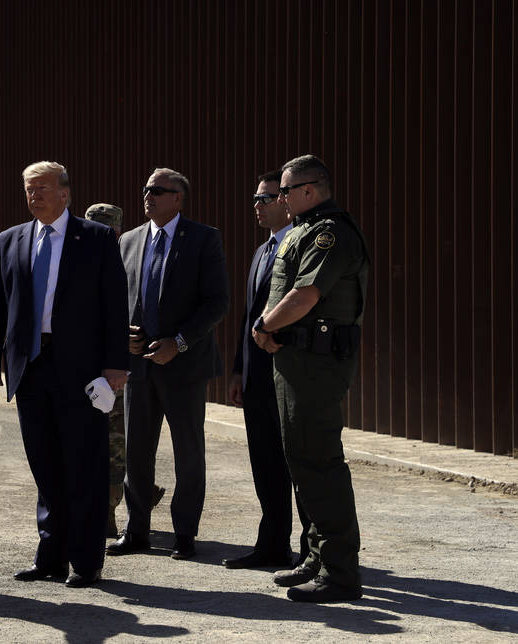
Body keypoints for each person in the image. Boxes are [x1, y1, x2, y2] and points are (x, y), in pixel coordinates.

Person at [0, 161, 129, 588]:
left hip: (82, 370)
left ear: (65, 193)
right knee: (44, 465)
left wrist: (116, 364)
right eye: (29, 189)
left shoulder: (96, 238)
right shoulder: (9, 240)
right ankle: (51, 557)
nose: (35, 196)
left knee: (83, 463)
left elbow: (114, 304)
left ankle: (86, 561)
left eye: (43, 188)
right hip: (30, 367)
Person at [252, 154, 368, 603]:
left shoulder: (329, 233)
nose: (279, 198)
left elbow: (306, 295)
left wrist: (266, 326)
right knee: (301, 459)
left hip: (318, 362)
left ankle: (340, 573)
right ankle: (318, 556)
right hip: (294, 359)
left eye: (284, 190)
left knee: (320, 462)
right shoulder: (302, 228)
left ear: (310, 189)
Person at [107, 168, 229, 560]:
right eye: (145, 189)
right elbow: (114, 298)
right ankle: (136, 531)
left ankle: (185, 533)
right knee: (137, 452)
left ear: (178, 198)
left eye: (158, 191)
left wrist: (178, 343)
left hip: (184, 366)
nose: (148, 196)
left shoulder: (203, 239)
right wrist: (119, 336)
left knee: (187, 452)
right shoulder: (128, 241)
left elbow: (216, 302)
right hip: (139, 367)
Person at [224, 170, 311, 570]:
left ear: (287, 199)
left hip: (290, 372)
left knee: (301, 463)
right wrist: (240, 371)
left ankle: (314, 552)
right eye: (256, 199)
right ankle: (272, 544)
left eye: (266, 198)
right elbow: (249, 317)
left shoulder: (302, 245)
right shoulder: (262, 251)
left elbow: (304, 302)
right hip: (258, 378)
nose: (257, 206)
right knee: (266, 463)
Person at [84, 202, 166, 538]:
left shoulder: (128, 262)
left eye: (108, 231)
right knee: (97, 442)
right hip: (87, 370)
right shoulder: (79, 264)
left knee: (116, 443)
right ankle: (107, 505)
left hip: (116, 372)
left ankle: (108, 511)